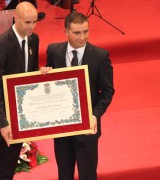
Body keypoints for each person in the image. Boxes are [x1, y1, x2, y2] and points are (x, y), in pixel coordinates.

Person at [41, 12, 115, 180]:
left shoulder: (100, 56)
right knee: (64, 175)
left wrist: (95, 115)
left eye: (86, 31)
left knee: (87, 175)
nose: (83, 37)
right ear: (65, 32)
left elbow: (108, 91)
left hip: (87, 129)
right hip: (61, 127)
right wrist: (45, 72)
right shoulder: (54, 51)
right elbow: (50, 80)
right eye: (77, 33)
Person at [0, 2, 39, 180]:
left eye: (34, 22)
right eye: (27, 22)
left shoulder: (33, 39)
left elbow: (30, 74)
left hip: (19, 116)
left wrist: (42, 74)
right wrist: (3, 123)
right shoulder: (0, 45)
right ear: (15, 19)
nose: (32, 26)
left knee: (8, 169)